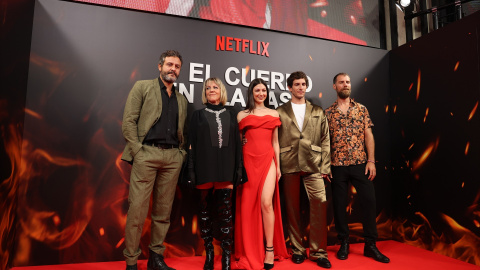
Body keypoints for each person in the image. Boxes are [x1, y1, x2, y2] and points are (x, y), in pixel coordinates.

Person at [121, 50, 187, 270]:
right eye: (169, 64)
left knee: (163, 212)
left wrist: (180, 154)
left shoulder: (180, 98)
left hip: (172, 158)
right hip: (146, 155)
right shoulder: (143, 87)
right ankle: (131, 261)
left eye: (177, 66)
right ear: (160, 66)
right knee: (137, 210)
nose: (173, 69)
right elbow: (128, 122)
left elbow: (182, 131)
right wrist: (138, 152)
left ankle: (156, 258)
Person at [325, 72, 390, 263]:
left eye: (348, 82)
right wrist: (325, 164)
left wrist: (371, 161)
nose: (346, 85)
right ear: (334, 86)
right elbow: (324, 140)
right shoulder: (328, 113)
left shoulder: (361, 109)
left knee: (369, 202)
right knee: (338, 205)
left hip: (361, 163)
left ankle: (371, 245)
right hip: (336, 165)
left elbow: (368, 135)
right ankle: (343, 242)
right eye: (341, 82)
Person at [184, 77, 244, 270]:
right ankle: (209, 253)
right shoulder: (197, 116)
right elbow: (191, 145)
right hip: (204, 167)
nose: (211, 90)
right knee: (204, 214)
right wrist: (191, 170)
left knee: (225, 213)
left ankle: (226, 256)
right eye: (208, 87)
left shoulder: (232, 112)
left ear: (221, 91)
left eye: (215, 87)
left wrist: (239, 169)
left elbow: (237, 144)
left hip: (226, 167)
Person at [276, 71, 332, 269]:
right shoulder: (280, 111)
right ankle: (298, 250)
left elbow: (325, 139)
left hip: (314, 163)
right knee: (292, 209)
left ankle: (319, 252)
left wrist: (325, 166)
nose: (300, 87)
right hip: (288, 163)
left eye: (303, 84)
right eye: (297, 84)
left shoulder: (317, 110)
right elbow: (273, 139)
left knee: (320, 204)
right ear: (289, 88)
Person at [235, 78, 288, 270]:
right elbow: (239, 141)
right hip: (248, 162)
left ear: (267, 93)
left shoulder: (273, 113)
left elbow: (276, 143)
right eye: (257, 90)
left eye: (263, 90)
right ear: (251, 92)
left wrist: (278, 167)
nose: (260, 93)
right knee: (248, 206)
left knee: (267, 203)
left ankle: (270, 249)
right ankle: (249, 248)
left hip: (268, 161)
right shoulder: (242, 115)